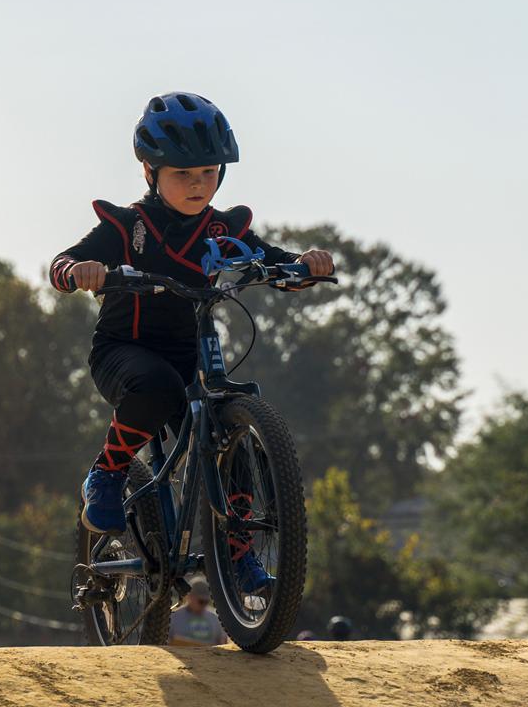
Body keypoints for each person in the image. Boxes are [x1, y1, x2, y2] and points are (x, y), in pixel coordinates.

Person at [50, 92, 336, 603]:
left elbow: (273, 262)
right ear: (150, 172)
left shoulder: (224, 231)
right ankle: (108, 471)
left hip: (193, 357)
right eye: (183, 174)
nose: (198, 183)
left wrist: (304, 266)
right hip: (124, 352)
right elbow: (62, 263)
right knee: (156, 387)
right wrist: (79, 272)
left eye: (208, 171)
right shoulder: (128, 227)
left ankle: (240, 554)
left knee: (234, 433)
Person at [170, 576, 228, 646]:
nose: (204, 605)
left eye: (206, 602)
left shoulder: (215, 619)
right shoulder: (174, 618)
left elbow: (223, 642)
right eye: (201, 601)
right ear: (190, 597)